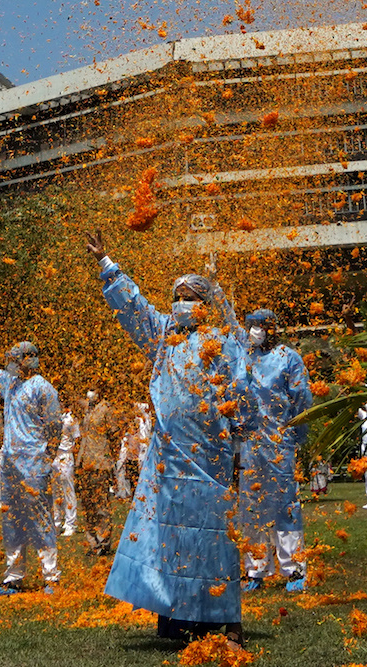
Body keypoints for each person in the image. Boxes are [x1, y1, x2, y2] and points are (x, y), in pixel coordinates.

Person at [85, 226, 257, 649]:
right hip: (167, 457)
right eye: (176, 297)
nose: (180, 305)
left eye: (190, 298)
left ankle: (227, 620)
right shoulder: (163, 336)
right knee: (170, 534)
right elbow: (133, 307)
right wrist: (107, 265)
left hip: (209, 457)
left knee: (212, 533)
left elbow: (242, 390)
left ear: (205, 304)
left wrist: (238, 443)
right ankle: (177, 617)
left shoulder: (224, 342)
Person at [224, 309, 311, 593]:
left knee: (284, 505)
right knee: (252, 507)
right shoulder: (244, 357)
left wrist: (298, 435)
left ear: (272, 329)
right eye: (251, 326)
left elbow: (301, 399)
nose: (254, 331)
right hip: (250, 445)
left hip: (279, 442)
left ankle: (294, 568)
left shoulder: (288, 358)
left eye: (260, 326)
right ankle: (256, 569)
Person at [0, 342, 62, 595]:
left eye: (15, 358)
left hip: (34, 465)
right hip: (10, 465)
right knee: (12, 520)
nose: (10, 362)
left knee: (41, 520)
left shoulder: (43, 388)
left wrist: (46, 458)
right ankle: (13, 577)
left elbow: (55, 426)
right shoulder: (10, 384)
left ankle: (51, 577)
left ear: (27, 359)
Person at [76, 391, 119, 555]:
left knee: (101, 504)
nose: (90, 392)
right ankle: (93, 542)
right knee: (87, 505)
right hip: (85, 462)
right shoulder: (89, 408)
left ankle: (104, 541)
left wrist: (112, 461)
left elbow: (114, 435)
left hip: (100, 463)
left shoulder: (106, 409)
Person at [52, 406, 80, 537]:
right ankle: (56, 522)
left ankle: (70, 523)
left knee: (67, 490)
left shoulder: (71, 420)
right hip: (54, 457)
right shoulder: (52, 417)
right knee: (54, 491)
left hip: (66, 456)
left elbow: (77, 440)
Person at [115, 402, 151, 498]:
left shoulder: (142, 432)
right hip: (130, 459)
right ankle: (133, 497)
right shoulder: (127, 435)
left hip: (138, 459)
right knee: (131, 480)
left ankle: (141, 496)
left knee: (140, 479)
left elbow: (147, 414)